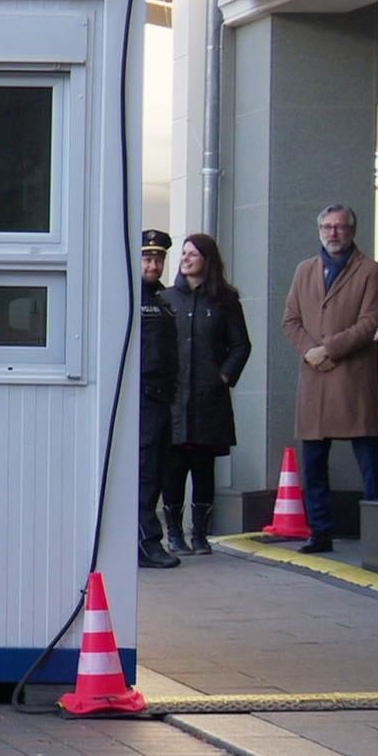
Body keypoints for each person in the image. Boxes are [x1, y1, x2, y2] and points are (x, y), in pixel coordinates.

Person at [281, 203, 378, 554]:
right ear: (319, 230)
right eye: (326, 227)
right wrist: (311, 351)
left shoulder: (370, 270)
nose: (333, 233)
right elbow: (291, 320)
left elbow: (370, 322)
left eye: (339, 227)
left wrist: (329, 349)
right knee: (313, 461)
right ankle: (320, 532)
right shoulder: (304, 270)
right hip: (314, 376)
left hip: (352, 376)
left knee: (368, 456)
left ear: (352, 230)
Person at [160, 233, 250, 556]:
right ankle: (173, 533)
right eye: (183, 254)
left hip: (209, 400)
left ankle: (200, 534)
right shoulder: (166, 299)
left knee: (203, 467)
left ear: (207, 260)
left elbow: (241, 345)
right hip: (173, 399)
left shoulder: (225, 301)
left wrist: (222, 376)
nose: (185, 259)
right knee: (173, 466)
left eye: (193, 254)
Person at [137, 229, 181, 569]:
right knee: (144, 474)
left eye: (159, 259)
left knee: (157, 471)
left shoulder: (161, 301)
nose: (154, 264)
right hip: (141, 399)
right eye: (148, 258)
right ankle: (146, 541)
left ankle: (147, 540)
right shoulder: (131, 298)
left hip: (161, 399)